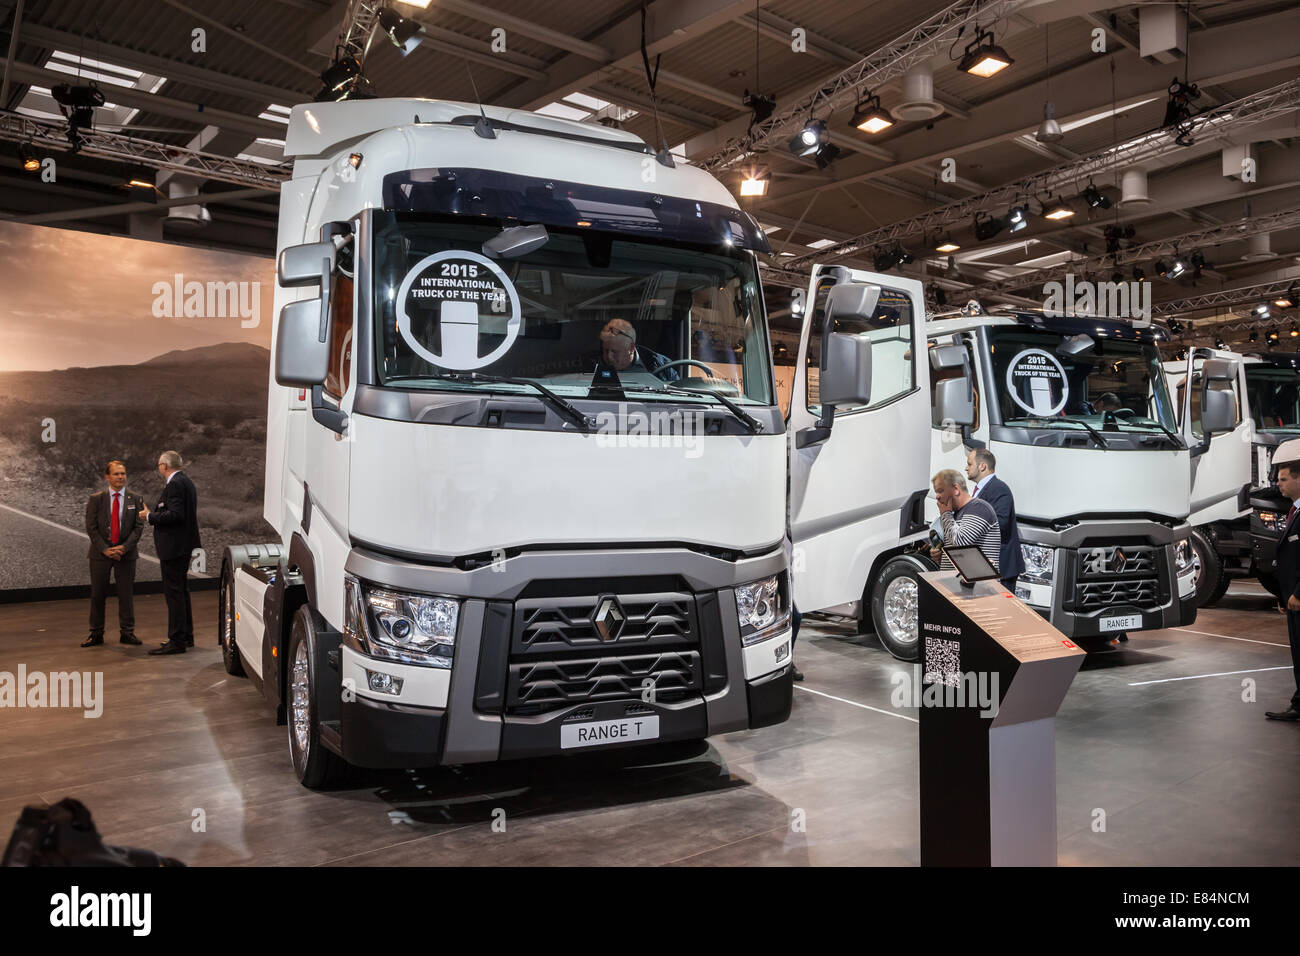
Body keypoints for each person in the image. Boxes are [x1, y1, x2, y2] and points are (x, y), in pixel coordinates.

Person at [141, 450, 201, 656]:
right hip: (182, 545)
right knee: (181, 592)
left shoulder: (175, 484)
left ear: (164, 466)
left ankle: (176, 640)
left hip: (174, 547)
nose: (159, 469)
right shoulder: (187, 482)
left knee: (174, 594)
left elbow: (175, 515)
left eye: (159, 465)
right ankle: (185, 636)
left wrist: (150, 516)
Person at [82, 460, 145, 647]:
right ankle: (96, 633)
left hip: (126, 554)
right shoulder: (96, 499)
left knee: (126, 595)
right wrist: (106, 549)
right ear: (107, 477)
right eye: (116, 474)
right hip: (100, 554)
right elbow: (91, 527)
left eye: (123, 473)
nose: (120, 477)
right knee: (98, 595)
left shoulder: (136, 499)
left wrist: (123, 548)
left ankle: (127, 632)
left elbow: (138, 527)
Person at [1265, 451, 1300, 721]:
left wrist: (1298, 593)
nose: (1279, 484)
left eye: (1284, 479)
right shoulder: (1294, 511)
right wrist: (1284, 593)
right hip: (1291, 597)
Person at [965, 447, 1026, 592]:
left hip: (1001, 567)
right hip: (985, 566)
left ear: (982, 466)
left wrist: (971, 527)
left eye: (969, 464)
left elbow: (1001, 522)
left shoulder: (999, 488)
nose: (966, 468)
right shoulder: (982, 489)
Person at [929, 469, 1001, 575]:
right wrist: (942, 555)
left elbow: (961, 542)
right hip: (959, 587)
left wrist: (945, 514)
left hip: (980, 588)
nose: (937, 496)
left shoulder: (978, 508)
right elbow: (958, 552)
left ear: (956, 489)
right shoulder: (955, 514)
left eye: (940, 491)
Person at [597, 318, 679, 381]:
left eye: (615, 352)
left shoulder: (661, 365)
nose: (609, 357)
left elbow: (678, 394)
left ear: (631, 348)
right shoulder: (591, 365)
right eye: (606, 350)